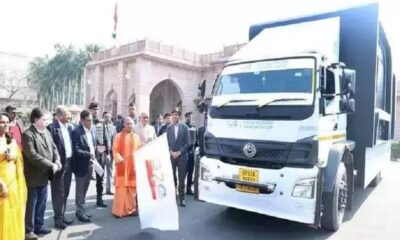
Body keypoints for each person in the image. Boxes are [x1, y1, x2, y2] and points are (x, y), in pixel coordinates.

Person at [22, 107, 61, 239]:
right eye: (44, 119)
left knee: (42, 202)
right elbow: (32, 156)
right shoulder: (27, 134)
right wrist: (51, 165)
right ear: (35, 119)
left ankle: (39, 226)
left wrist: (57, 160)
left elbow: (54, 148)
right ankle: (29, 230)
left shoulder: (46, 132)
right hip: (33, 176)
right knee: (31, 204)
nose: (47, 122)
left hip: (45, 175)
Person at [0, 113, 27, 240]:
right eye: (2, 122)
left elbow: (19, 159)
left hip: (13, 183)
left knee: (13, 212)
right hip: (2, 184)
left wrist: (13, 156)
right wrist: (1, 184)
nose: (5, 124)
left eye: (7, 122)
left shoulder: (11, 141)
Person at [47, 106, 74, 229]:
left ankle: (62, 215)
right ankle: (57, 218)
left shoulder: (68, 128)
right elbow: (50, 149)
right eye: (67, 114)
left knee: (66, 191)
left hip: (69, 163)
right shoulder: (52, 128)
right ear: (60, 115)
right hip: (59, 164)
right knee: (58, 192)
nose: (69, 116)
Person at [112, 117, 142, 217]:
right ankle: (118, 211)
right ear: (124, 125)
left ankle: (131, 209)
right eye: (128, 124)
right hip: (122, 166)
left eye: (131, 124)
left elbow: (140, 150)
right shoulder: (118, 136)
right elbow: (115, 150)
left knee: (131, 189)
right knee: (121, 189)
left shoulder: (136, 137)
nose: (130, 126)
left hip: (133, 167)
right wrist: (120, 159)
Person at [72, 110, 97, 222]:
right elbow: (76, 150)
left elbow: (93, 145)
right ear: (82, 120)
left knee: (85, 188)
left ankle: (81, 210)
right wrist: (89, 154)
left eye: (91, 120)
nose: (90, 122)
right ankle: (80, 212)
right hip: (81, 165)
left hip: (90, 164)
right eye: (88, 120)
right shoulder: (77, 132)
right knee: (80, 190)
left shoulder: (92, 130)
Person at [167, 109, 190, 207]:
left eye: (176, 115)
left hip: (182, 156)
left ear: (179, 116)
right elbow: (166, 141)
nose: (174, 117)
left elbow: (188, 143)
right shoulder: (169, 128)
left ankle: (182, 198)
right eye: (173, 115)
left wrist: (179, 152)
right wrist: (171, 151)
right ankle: (173, 197)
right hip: (172, 156)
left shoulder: (185, 127)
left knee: (181, 178)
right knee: (172, 177)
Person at [88, 102, 107, 208]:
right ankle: (81, 202)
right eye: (94, 109)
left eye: (97, 109)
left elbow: (105, 137)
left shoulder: (102, 122)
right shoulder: (86, 121)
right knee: (85, 177)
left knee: (100, 176)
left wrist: (106, 151)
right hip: (89, 152)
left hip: (100, 152)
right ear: (90, 110)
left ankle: (99, 198)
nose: (96, 111)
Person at [102, 112, 117, 195]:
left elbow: (115, 140)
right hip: (102, 153)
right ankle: (100, 188)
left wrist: (112, 152)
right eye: (106, 117)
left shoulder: (113, 128)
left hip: (111, 153)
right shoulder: (100, 127)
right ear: (103, 118)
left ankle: (109, 188)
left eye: (108, 117)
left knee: (110, 171)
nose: (107, 118)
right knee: (101, 171)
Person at [184, 112, 197, 195]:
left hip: (191, 153)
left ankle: (188, 189)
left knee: (190, 172)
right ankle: (180, 188)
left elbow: (196, 140)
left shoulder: (194, 127)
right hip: (185, 152)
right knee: (183, 172)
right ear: (185, 118)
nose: (189, 118)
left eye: (190, 117)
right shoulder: (183, 127)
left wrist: (195, 148)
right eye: (188, 117)